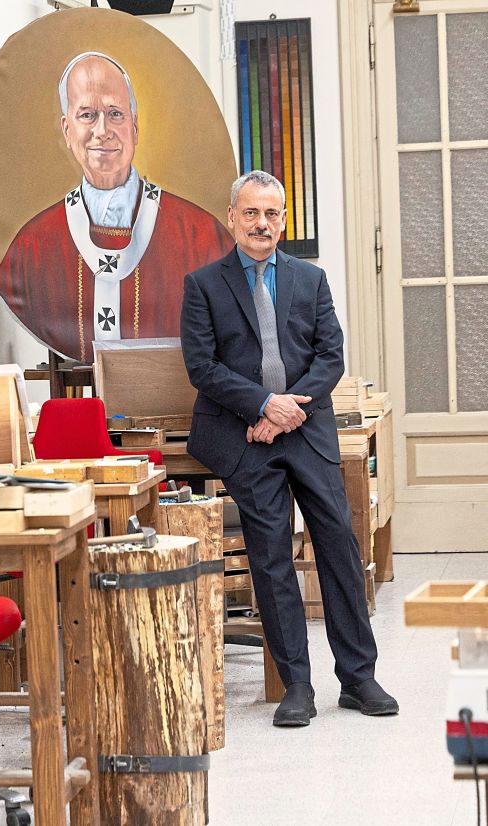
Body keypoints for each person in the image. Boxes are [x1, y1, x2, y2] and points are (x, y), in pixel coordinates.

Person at [180, 170, 398, 727]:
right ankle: (296, 685)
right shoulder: (203, 285)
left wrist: (285, 411)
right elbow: (202, 367)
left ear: (283, 219)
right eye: (251, 213)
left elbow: (331, 355)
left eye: (272, 213)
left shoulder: (310, 279)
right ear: (232, 216)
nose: (262, 224)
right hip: (245, 437)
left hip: (305, 430)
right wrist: (262, 405)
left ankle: (359, 678)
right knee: (272, 557)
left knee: (339, 546)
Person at [0, 51, 232, 363]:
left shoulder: (199, 234)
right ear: (67, 130)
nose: (102, 130)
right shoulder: (32, 246)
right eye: (87, 115)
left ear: (135, 126)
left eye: (115, 113)